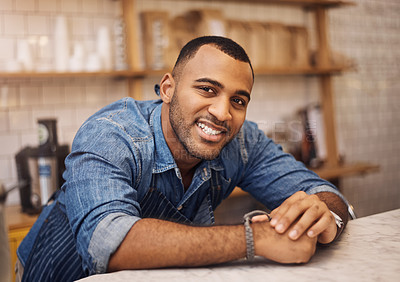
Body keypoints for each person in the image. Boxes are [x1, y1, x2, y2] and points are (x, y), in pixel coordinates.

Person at [17, 36, 349, 281]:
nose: (222, 112)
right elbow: (108, 244)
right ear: (167, 89)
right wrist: (255, 239)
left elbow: (328, 196)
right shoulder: (112, 133)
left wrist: (322, 217)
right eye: (207, 89)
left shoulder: (244, 142)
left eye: (238, 100)